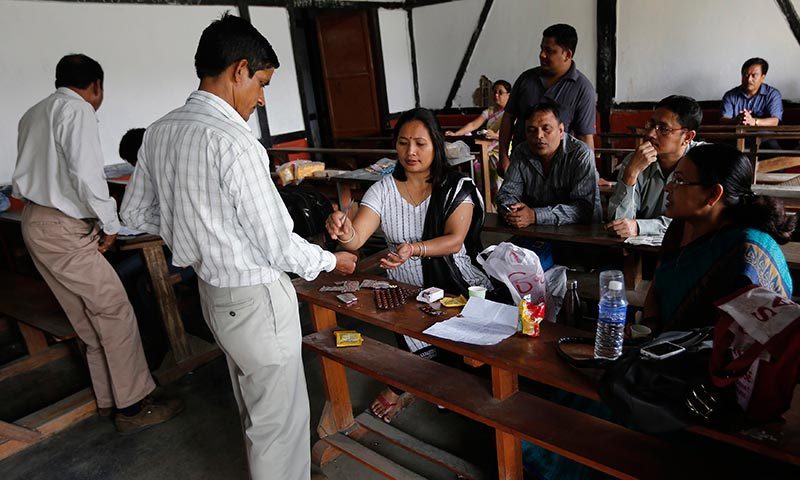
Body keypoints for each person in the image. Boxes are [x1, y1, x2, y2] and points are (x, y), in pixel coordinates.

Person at [120, 14, 357, 480]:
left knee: (256, 408)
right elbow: (275, 244)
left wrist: (196, 230)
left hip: (214, 294)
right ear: (239, 70)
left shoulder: (161, 131)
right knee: (280, 425)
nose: (261, 97)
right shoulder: (234, 141)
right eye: (262, 82)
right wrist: (331, 260)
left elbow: (132, 217)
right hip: (256, 299)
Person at [12, 54, 183, 432]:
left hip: (35, 222)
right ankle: (134, 408)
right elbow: (88, 177)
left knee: (88, 321)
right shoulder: (78, 111)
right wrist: (110, 226)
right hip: (63, 227)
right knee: (115, 312)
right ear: (96, 87)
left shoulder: (33, 113)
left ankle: (110, 400)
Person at [325, 107, 491, 423]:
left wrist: (414, 248)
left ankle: (411, 384)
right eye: (403, 143)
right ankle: (410, 383)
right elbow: (355, 240)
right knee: (423, 346)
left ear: (436, 145)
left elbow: (455, 240)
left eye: (420, 143)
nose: (410, 152)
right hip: (405, 288)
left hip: (452, 279)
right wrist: (343, 229)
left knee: (469, 350)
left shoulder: (456, 186)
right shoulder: (383, 189)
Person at [643, 143, 794, 334]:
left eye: (680, 181)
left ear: (714, 194)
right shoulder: (679, 227)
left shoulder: (746, 251)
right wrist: (650, 324)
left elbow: (752, 338)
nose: (668, 187)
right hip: (661, 347)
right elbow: (657, 285)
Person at [498, 23, 596, 173]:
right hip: (521, 167)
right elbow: (508, 117)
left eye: (549, 51)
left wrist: (590, 174)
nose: (542, 55)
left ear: (567, 55)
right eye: (541, 49)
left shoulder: (583, 88)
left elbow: (585, 137)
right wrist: (503, 156)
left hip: (561, 173)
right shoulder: (526, 79)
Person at [606, 95, 704, 238]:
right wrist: (631, 174)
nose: (651, 134)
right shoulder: (635, 161)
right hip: (640, 253)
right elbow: (618, 224)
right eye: (651, 125)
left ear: (688, 136)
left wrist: (641, 227)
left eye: (663, 129)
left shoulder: (702, 162)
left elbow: (694, 221)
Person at [495, 100, 601, 228]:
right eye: (531, 130)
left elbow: (583, 209)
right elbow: (507, 193)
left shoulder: (581, 154)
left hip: (578, 234)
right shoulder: (521, 152)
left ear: (561, 131)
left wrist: (535, 215)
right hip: (535, 230)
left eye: (546, 129)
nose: (539, 136)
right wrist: (513, 210)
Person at [446, 79, 511, 192]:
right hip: (486, 148)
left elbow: (513, 135)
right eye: (494, 92)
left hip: (503, 150)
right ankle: (485, 199)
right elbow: (473, 125)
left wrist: (495, 136)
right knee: (478, 162)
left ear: (509, 95)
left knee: (495, 162)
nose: (496, 95)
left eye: (500, 92)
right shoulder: (490, 111)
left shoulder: (512, 113)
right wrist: (455, 134)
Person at [721, 57, 782, 128]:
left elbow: (774, 121)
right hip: (736, 137)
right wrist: (737, 120)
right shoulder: (730, 95)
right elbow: (723, 120)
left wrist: (754, 121)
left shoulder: (773, 94)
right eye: (746, 75)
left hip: (764, 138)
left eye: (754, 76)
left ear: (763, 77)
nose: (749, 79)